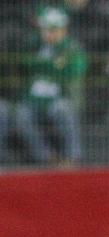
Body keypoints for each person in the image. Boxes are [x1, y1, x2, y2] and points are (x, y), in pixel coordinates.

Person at [12, 7, 87, 165]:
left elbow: (74, 71)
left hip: (61, 98)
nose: (48, 34)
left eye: (53, 29)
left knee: (62, 110)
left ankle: (72, 157)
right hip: (33, 100)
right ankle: (47, 158)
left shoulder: (72, 48)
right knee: (20, 115)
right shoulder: (33, 45)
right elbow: (22, 64)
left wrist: (41, 67)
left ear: (63, 29)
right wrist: (52, 66)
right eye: (45, 29)